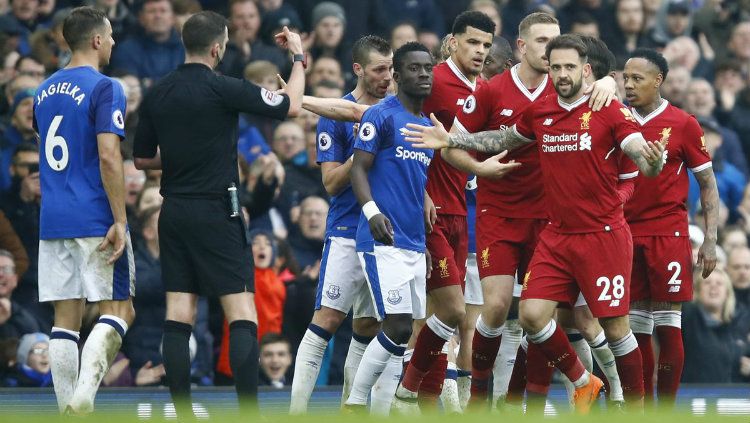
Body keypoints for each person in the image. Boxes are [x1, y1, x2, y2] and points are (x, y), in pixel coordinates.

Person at [404, 34, 669, 412]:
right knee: (530, 316)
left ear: (586, 70)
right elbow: (503, 139)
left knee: (614, 327)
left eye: (569, 68)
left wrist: (654, 160)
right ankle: (583, 382)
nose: (562, 74)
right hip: (557, 236)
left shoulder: (608, 108)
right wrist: (451, 139)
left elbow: (639, 157)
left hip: (603, 236)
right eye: (556, 66)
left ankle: (636, 409)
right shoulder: (542, 110)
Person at [132, 10, 305, 418]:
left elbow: (140, 159)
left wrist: (180, 160)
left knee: (179, 312)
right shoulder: (224, 87)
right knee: (241, 312)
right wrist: (298, 58)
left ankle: (183, 411)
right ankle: (248, 412)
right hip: (217, 211)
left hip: (172, 210)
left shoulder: (159, 91)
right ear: (217, 48)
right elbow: (293, 106)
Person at [446, 14, 618, 408]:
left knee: (542, 315)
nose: (551, 51)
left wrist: (609, 81)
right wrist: (478, 168)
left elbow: (613, 88)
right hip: (499, 214)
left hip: (551, 220)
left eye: (557, 43)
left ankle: (528, 403)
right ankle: (478, 395)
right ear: (522, 47)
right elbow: (453, 143)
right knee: (494, 306)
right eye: (543, 42)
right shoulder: (491, 91)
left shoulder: (571, 91)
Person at [32, 6, 136, 415]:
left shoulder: (41, 90)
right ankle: (83, 399)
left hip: (53, 217)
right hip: (94, 214)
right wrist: (120, 220)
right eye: (109, 36)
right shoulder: (106, 87)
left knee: (65, 319)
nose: (112, 42)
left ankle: (64, 410)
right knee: (120, 309)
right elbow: (109, 156)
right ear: (96, 40)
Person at [289, 35, 395, 416]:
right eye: (380, 69)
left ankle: (354, 407)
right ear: (358, 70)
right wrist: (364, 150)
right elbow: (332, 183)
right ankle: (296, 411)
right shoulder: (335, 116)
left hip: (387, 234)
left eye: (391, 68)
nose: (388, 77)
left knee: (369, 326)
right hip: (348, 230)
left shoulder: (397, 108)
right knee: (329, 319)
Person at [622, 48, 720, 407]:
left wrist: (710, 241)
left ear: (658, 80)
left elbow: (708, 183)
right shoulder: (618, 120)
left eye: (638, 79)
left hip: (668, 233)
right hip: (624, 234)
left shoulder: (683, 123)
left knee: (667, 320)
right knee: (636, 327)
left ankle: (666, 409)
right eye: (626, 78)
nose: (629, 85)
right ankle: (642, 407)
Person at [342, 41, 434, 412]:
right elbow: (358, 169)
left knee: (406, 334)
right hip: (382, 238)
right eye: (414, 68)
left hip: (412, 240)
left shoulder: (428, 127)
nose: (423, 74)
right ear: (396, 75)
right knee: (395, 325)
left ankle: (379, 411)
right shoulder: (380, 115)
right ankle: (354, 402)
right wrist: (371, 212)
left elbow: (415, 187)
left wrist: (423, 241)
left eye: (427, 68)